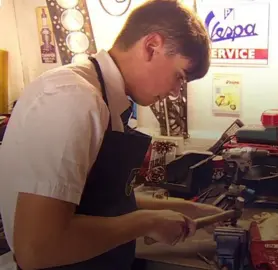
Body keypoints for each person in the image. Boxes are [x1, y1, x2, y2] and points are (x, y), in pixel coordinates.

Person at [0, 0, 220, 269]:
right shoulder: (73, 98)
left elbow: (104, 201)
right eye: (179, 77)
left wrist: (190, 210)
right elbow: (38, 248)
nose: (176, 92)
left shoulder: (103, 99)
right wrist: (146, 222)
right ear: (152, 46)